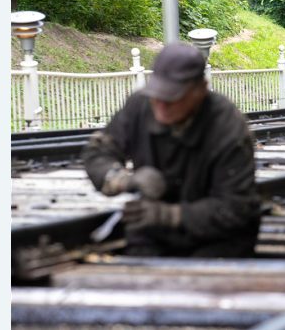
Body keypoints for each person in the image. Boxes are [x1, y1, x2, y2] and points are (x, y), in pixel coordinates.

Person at [82, 42, 261, 257]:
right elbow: (98, 153)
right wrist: (124, 180)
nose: (162, 104)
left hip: (217, 240)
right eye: (157, 94)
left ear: (201, 90)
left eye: (173, 96)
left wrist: (169, 215)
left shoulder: (228, 126)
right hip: (153, 235)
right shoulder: (141, 106)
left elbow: (235, 208)